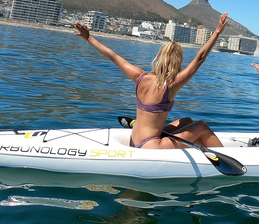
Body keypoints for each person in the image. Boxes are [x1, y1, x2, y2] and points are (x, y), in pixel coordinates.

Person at [74, 13, 230, 149]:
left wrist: (89, 38)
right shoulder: (172, 84)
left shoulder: (139, 76)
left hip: (134, 140)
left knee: (187, 121)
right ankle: (230, 155)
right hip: (151, 145)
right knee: (201, 126)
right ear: (178, 62)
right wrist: (217, 32)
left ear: (160, 57)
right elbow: (200, 58)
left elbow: (113, 56)